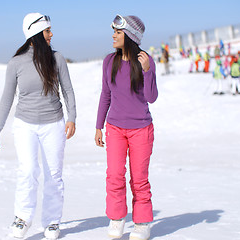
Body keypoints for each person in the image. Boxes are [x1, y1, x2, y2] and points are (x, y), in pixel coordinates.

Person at [0, 13, 76, 239]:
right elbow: (7, 97)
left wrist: (72, 117)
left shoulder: (57, 59)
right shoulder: (16, 62)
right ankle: (22, 217)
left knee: (54, 174)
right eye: (48, 31)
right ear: (35, 34)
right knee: (28, 171)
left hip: (54, 123)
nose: (52, 34)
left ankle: (52, 221)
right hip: (24, 125)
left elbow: (67, 90)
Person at [95, 14, 158, 240]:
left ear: (130, 36)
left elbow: (151, 97)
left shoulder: (144, 59)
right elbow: (105, 95)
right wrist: (98, 126)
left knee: (139, 178)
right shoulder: (108, 62)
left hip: (141, 129)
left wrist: (148, 70)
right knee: (114, 174)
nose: (113, 35)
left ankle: (141, 223)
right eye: (113, 31)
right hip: (115, 128)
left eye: (118, 32)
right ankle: (117, 217)